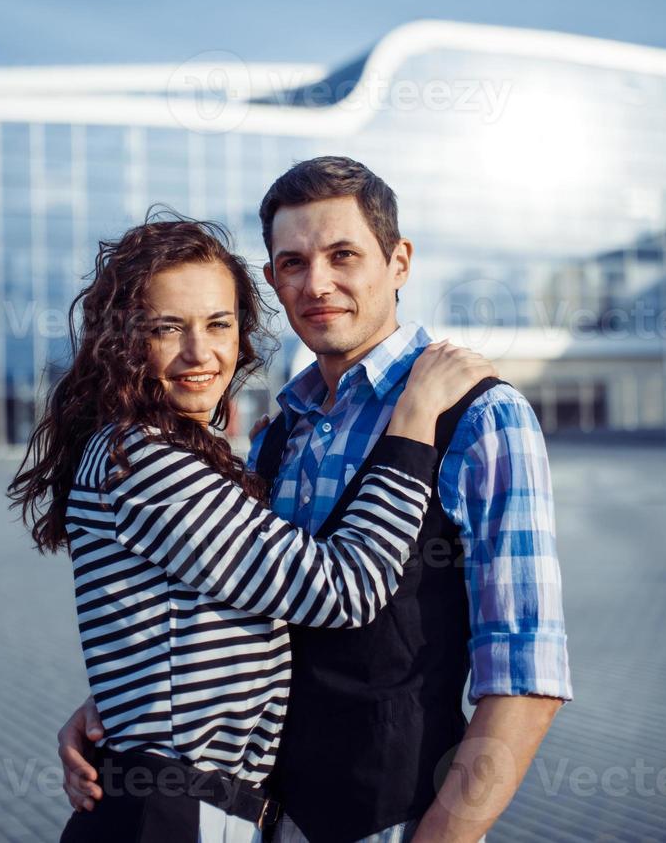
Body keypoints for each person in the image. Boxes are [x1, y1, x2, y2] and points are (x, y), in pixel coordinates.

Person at [58, 159, 574, 843]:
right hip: (261, 820)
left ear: (398, 262)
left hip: (389, 820)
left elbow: (524, 675)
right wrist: (122, 706)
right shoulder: (277, 436)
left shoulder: (478, 418)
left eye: (342, 255)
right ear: (270, 280)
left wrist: (446, 836)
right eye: (293, 262)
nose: (317, 283)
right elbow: (255, 597)